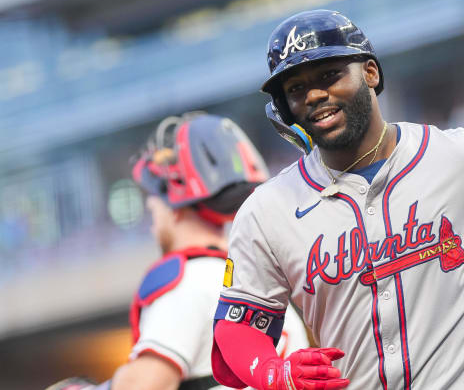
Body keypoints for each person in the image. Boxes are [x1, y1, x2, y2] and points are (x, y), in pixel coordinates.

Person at [212, 10, 464, 390]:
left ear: (370, 73)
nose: (314, 95)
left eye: (329, 75)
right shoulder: (267, 210)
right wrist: (277, 374)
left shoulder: (463, 156)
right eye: (296, 89)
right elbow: (236, 327)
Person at [47, 113, 308, 390]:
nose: (151, 211)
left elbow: (145, 386)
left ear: (174, 202)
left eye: (153, 199)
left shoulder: (187, 283)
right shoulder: (254, 279)